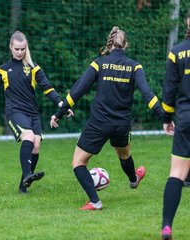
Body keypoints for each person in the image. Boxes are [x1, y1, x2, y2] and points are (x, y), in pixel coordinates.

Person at [50, 26, 163, 210]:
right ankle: (133, 180)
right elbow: (147, 93)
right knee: (124, 154)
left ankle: (95, 202)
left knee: (78, 162)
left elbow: (77, 91)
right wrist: (164, 116)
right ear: (125, 44)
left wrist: (59, 113)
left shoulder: (99, 63)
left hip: (99, 123)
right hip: (121, 124)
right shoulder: (135, 66)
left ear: (109, 43)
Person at [0, 31, 68, 194]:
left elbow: (48, 88)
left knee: (36, 147)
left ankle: (24, 185)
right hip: (15, 112)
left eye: (22, 49)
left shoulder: (33, 68)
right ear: (11, 47)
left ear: (26, 48)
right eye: (16, 49)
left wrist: (62, 104)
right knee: (28, 137)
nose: (19, 52)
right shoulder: (3, 70)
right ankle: (28, 174)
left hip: (33, 113)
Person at [160, 12, 190, 240]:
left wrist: (167, 118)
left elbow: (169, 90)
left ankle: (167, 226)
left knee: (177, 174)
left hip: (186, 118)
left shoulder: (177, 52)